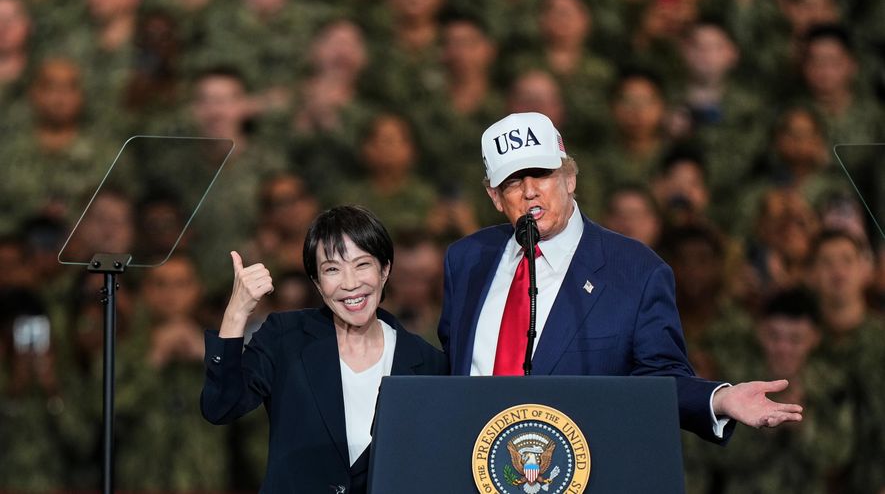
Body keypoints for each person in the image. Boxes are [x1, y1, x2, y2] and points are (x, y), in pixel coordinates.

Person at [438, 112, 803, 444]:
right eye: (514, 181)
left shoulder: (636, 270)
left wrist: (718, 398)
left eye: (543, 174)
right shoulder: (468, 259)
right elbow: (451, 366)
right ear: (495, 196)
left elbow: (659, 378)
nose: (530, 190)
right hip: (472, 466)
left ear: (569, 178)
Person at [201, 205, 447, 493]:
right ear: (317, 283)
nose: (351, 284)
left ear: (385, 269)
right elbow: (221, 407)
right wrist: (236, 313)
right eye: (332, 269)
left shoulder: (428, 363)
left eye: (362, 264)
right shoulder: (286, 338)